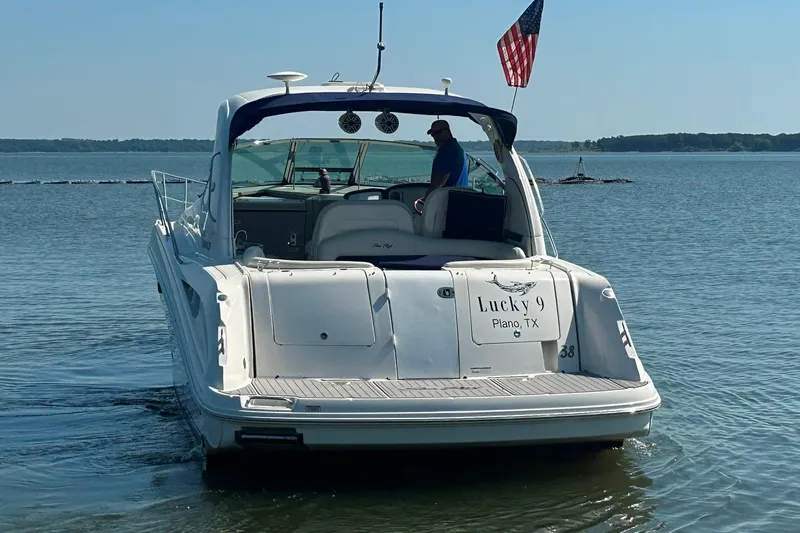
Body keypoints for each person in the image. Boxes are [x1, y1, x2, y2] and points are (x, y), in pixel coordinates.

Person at [423, 119, 469, 200]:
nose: (435, 137)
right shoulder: (458, 149)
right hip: (460, 199)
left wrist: (426, 201)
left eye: (437, 133)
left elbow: (438, 183)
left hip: (448, 202)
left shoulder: (447, 150)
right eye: (432, 135)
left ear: (446, 131)